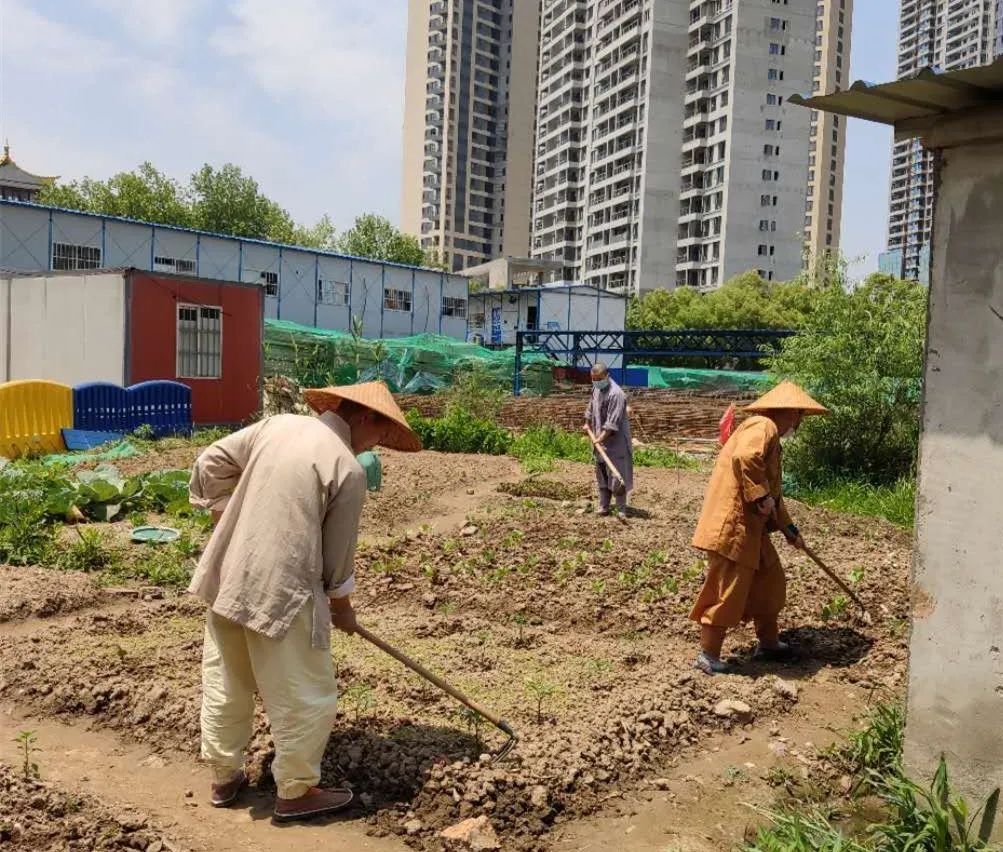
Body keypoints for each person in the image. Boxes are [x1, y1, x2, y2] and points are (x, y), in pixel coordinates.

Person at [187, 381, 421, 821]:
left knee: (227, 681)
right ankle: (296, 792)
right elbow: (337, 562)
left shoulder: (276, 425)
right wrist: (343, 611)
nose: (380, 445)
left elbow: (209, 461)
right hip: (284, 592)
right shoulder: (346, 469)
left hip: (228, 576)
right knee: (305, 691)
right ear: (365, 418)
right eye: (382, 435)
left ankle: (224, 776)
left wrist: (227, 516)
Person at [688, 380, 828, 675]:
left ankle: (768, 643)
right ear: (787, 412)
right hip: (733, 527)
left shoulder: (770, 436)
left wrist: (790, 530)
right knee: (728, 589)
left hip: (752, 530)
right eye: (798, 415)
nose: (799, 422)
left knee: (770, 582)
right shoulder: (762, 426)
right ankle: (708, 655)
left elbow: (774, 497)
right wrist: (760, 496)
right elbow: (745, 459)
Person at [583, 362, 634, 519]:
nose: (596, 381)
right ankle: (603, 506)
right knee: (602, 474)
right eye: (593, 379)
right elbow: (591, 407)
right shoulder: (596, 389)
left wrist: (599, 439)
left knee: (617, 474)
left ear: (607, 376)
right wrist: (587, 422)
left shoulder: (616, 394)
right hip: (600, 438)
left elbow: (612, 423)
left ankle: (621, 509)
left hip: (616, 442)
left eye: (598, 379)